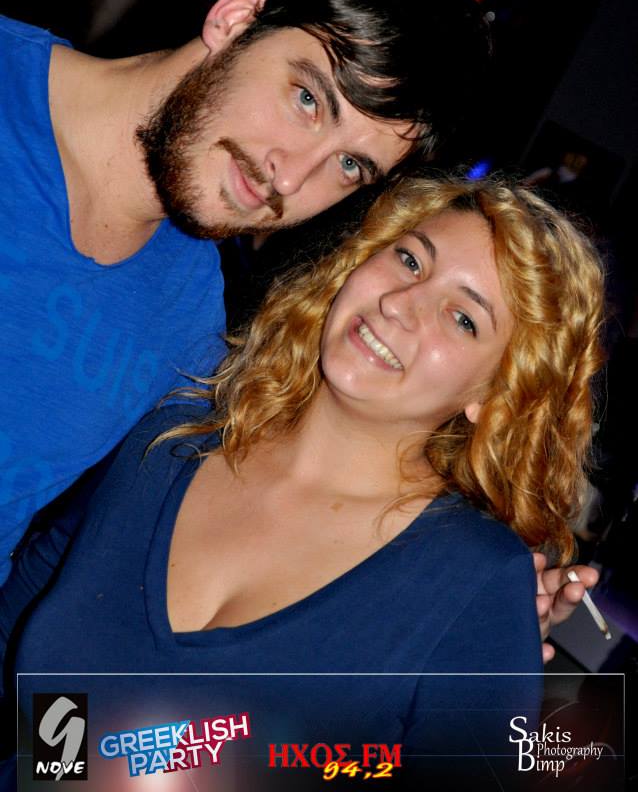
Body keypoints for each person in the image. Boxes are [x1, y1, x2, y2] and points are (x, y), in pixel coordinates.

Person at [2, 175, 605, 781]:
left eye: (463, 318)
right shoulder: (171, 442)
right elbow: (31, 664)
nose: (400, 303)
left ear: (493, 396)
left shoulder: (474, 586)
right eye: (409, 260)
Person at [0, 0, 492, 581]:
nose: (290, 178)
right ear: (236, 16)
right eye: (307, 99)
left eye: (349, 164)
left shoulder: (192, 317)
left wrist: (469, 591)